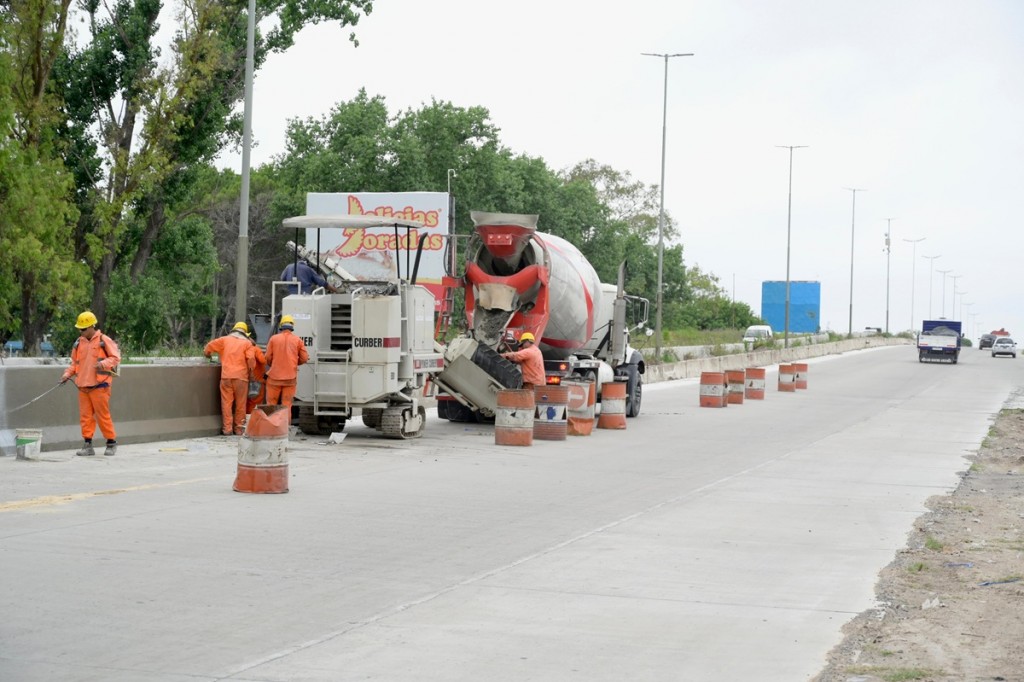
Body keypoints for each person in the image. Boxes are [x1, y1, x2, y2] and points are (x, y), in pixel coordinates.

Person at [61, 311, 121, 456]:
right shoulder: (78, 343)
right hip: (83, 386)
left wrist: (103, 364)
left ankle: (111, 443)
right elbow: (75, 364)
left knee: (103, 415)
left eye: (84, 329)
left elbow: (116, 357)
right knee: (85, 417)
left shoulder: (103, 340)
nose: (81, 331)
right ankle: (88, 445)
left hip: (100, 385)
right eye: (80, 329)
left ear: (91, 326)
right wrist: (67, 374)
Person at [204, 321, 257, 436]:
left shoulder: (224, 340)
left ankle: (227, 429)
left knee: (226, 404)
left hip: (226, 377)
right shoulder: (247, 344)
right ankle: (239, 429)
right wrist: (251, 373)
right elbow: (251, 360)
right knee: (241, 405)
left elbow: (208, 347)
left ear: (233, 330)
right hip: (241, 378)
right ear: (244, 333)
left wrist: (208, 355)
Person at [264, 315, 309, 408]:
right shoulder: (297, 340)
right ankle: (285, 423)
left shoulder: (273, 339)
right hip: (290, 378)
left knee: (271, 405)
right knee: (287, 405)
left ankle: (271, 422)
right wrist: (294, 363)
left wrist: (272, 365)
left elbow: (267, 357)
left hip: (274, 378)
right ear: (292, 326)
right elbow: (304, 358)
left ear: (281, 326)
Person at [245, 329, 267, 415]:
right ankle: (252, 421)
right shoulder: (255, 349)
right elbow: (263, 361)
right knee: (255, 402)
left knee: (245, 402)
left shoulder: (240, 349)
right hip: (257, 380)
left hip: (243, 380)